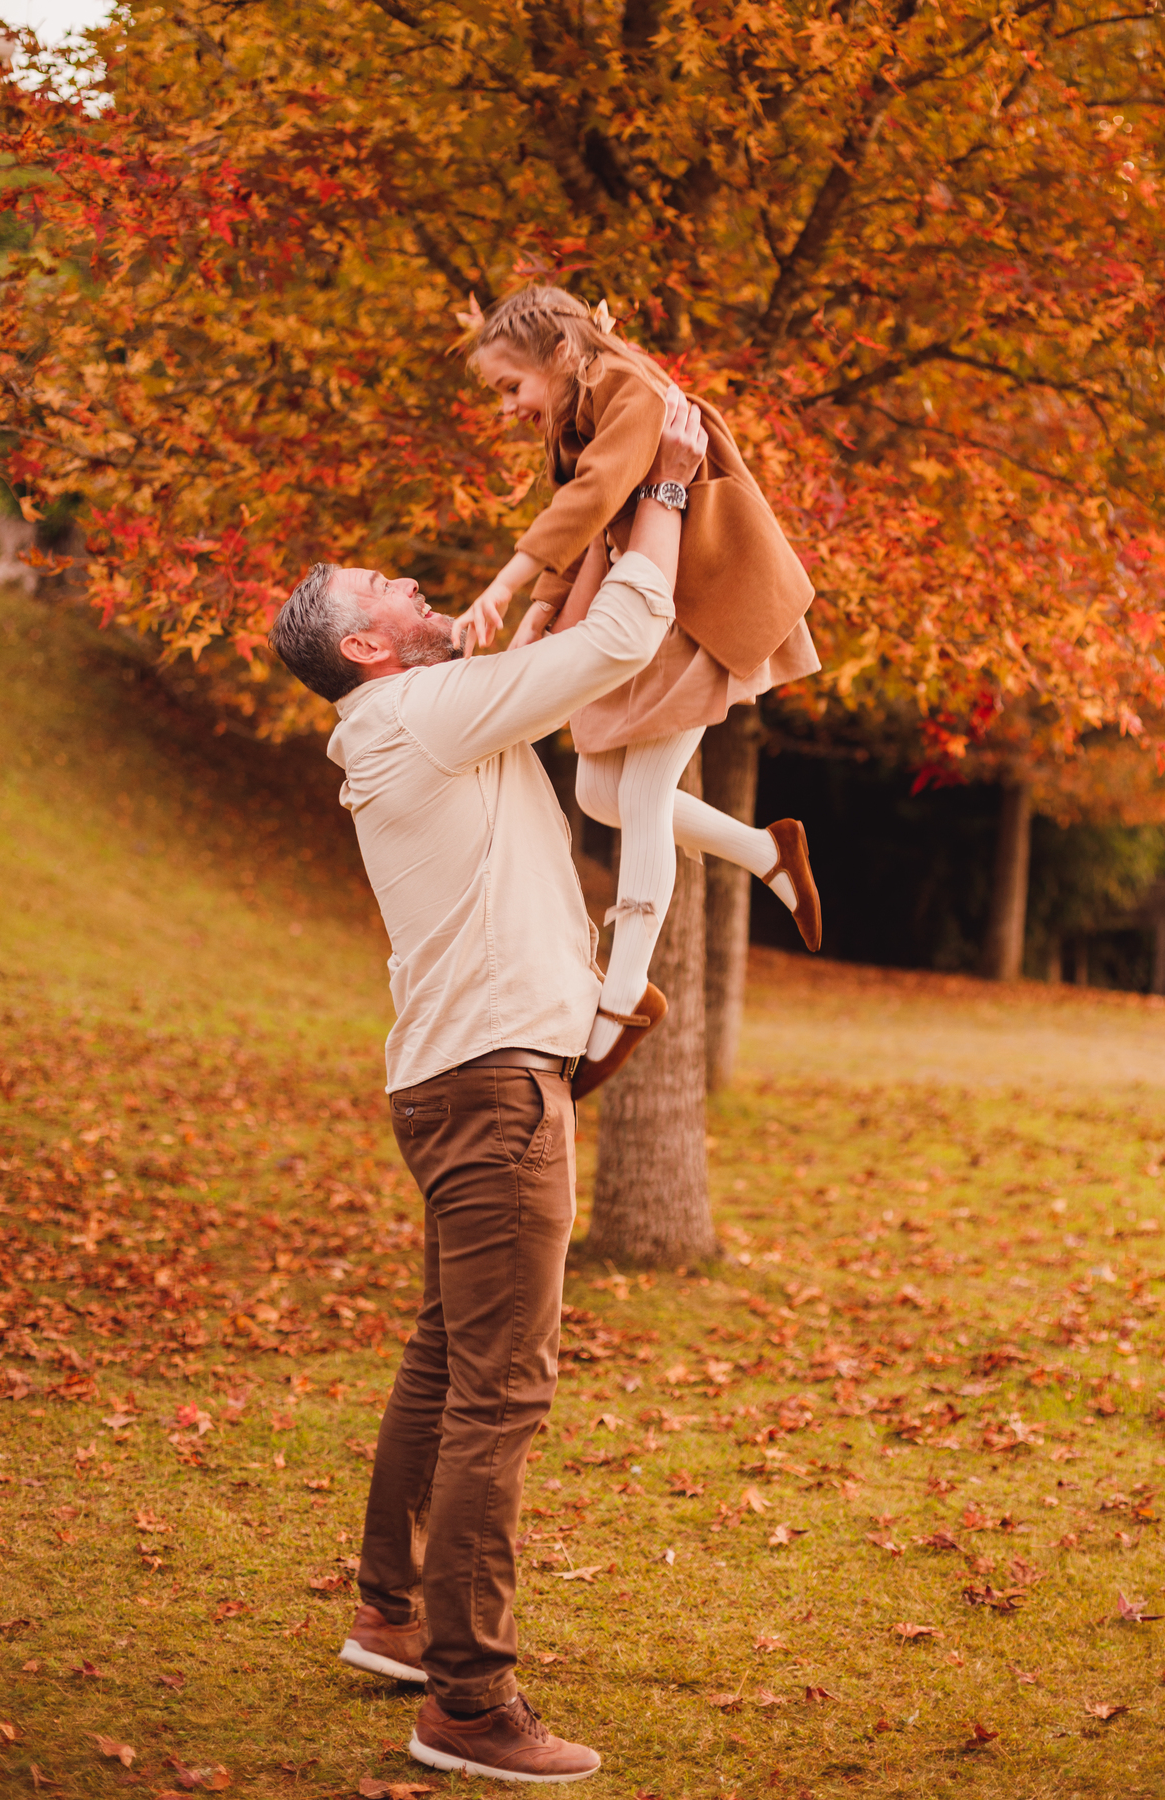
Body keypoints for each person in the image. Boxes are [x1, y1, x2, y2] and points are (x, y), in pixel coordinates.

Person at [267, 391, 708, 1784]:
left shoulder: (410, 721)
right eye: (396, 589)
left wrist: (557, 534)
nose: (422, 588)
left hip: (452, 1086)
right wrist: (673, 488)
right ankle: (468, 1700)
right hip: (497, 1094)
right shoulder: (427, 715)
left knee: (443, 1358)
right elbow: (624, 637)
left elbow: (505, 644)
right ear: (365, 646)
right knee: (501, 1393)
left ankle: (393, 1616)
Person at [456, 285, 823, 1087]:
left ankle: (623, 999)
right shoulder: (584, 402)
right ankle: (767, 852)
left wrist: (506, 583)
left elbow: (595, 497)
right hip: (654, 603)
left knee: (646, 795)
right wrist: (541, 614)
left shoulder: (625, 385)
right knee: (597, 792)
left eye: (508, 387)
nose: (508, 408)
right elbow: (586, 514)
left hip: (697, 602)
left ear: (556, 354)